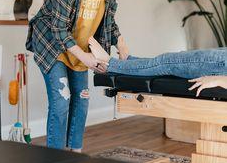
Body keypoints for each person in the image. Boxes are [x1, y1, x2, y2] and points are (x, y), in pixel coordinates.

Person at [26, 0, 130, 150]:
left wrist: (121, 43)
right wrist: (86, 58)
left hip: (80, 49)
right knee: (61, 102)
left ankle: (75, 154)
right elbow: (58, 28)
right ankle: (55, 159)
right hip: (52, 46)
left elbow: (109, 20)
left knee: (81, 100)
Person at [88, 36, 227, 96]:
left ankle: (109, 62)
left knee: (166, 62)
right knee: (167, 63)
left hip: (221, 64)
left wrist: (219, 80)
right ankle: (127, 60)